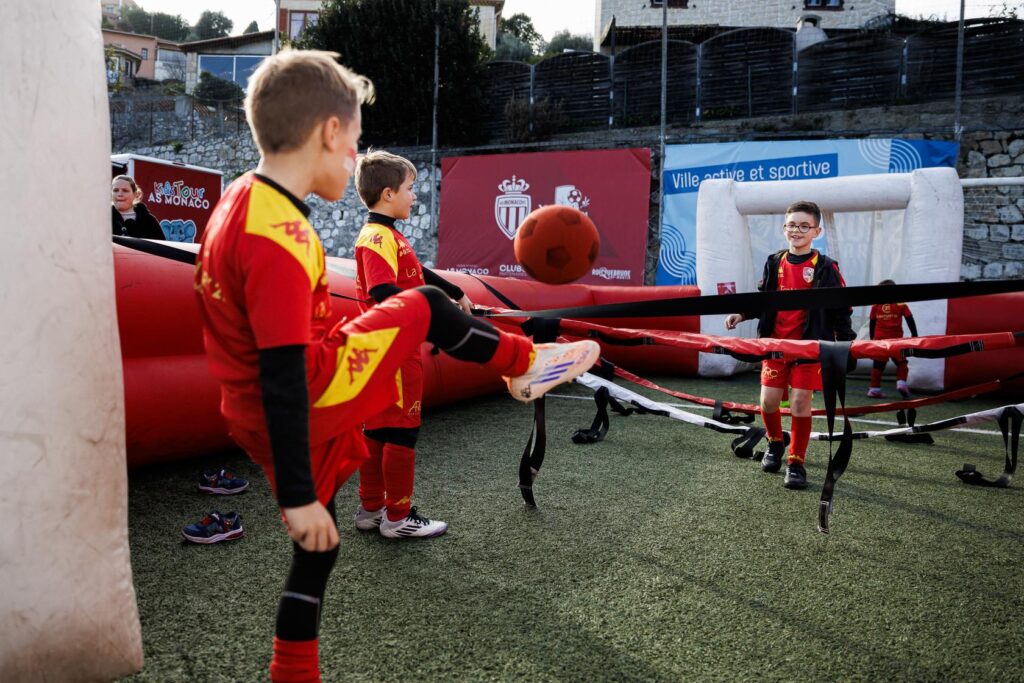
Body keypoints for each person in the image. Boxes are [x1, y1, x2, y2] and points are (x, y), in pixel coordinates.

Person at [192, 49, 599, 683]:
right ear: (330, 132)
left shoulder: (241, 200)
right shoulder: (280, 235)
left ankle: (290, 670)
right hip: (302, 394)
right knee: (426, 305)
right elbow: (282, 371)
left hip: (258, 404)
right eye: (353, 141)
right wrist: (295, 495)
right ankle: (524, 363)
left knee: (317, 547)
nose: (353, 157)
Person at [350, 150, 469, 539]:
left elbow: (416, 273)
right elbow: (383, 289)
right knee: (400, 431)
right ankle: (398, 518)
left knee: (378, 429)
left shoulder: (388, 235)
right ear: (387, 194)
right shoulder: (376, 238)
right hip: (395, 351)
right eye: (410, 189)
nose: (414, 196)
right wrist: (428, 312)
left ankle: (371, 510)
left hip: (383, 348)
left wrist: (452, 291)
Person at [725, 201, 855, 490]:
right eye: (792, 225)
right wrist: (742, 313)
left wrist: (846, 347)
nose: (797, 230)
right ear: (784, 228)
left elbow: (841, 309)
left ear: (816, 231)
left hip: (810, 349)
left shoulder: (826, 267)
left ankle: (796, 462)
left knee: (799, 403)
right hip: (775, 345)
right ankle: (774, 444)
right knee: (768, 402)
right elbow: (764, 299)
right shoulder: (774, 262)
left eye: (804, 226)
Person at [867, 280, 917, 399]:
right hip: (896, 339)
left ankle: (874, 389)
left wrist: (871, 338)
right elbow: (910, 318)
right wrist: (915, 335)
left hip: (879, 339)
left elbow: (872, 322)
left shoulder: (876, 304)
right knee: (901, 362)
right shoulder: (900, 303)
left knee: (878, 364)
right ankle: (901, 383)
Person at [111, 174, 165, 239]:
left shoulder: (149, 221)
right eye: (116, 190)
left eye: (125, 190)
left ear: (135, 194)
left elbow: (160, 247)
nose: (119, 194)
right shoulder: (102, 219)